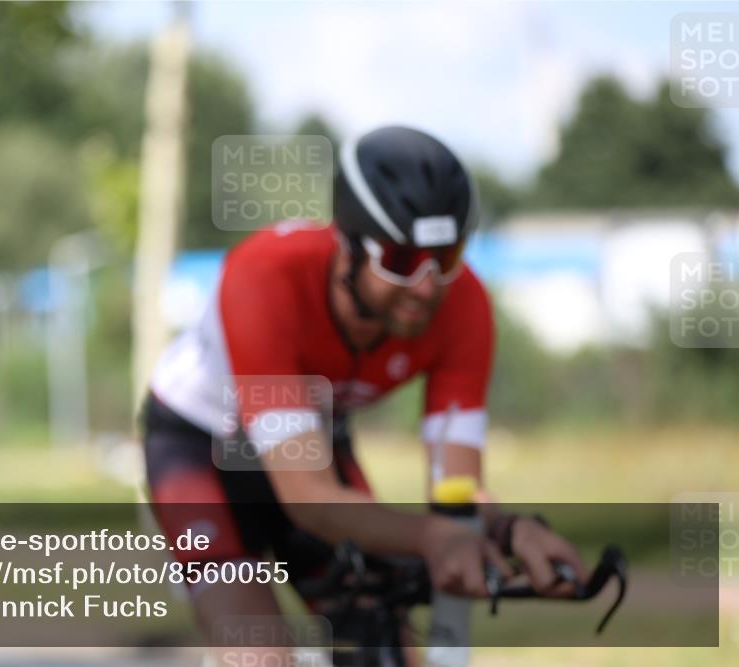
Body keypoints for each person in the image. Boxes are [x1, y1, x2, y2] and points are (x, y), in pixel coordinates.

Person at [141, 126, 585, 662]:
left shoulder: (463, 305)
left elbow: (457, 491)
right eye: (400, 261)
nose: (426, 285)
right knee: (259, 651)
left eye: (446, 257)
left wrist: (510, 531)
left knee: (383, 643)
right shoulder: (266, 278)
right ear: (347, 245)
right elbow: (310, 500)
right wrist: (433, 538)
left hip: (313, 437)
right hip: (200, 442)